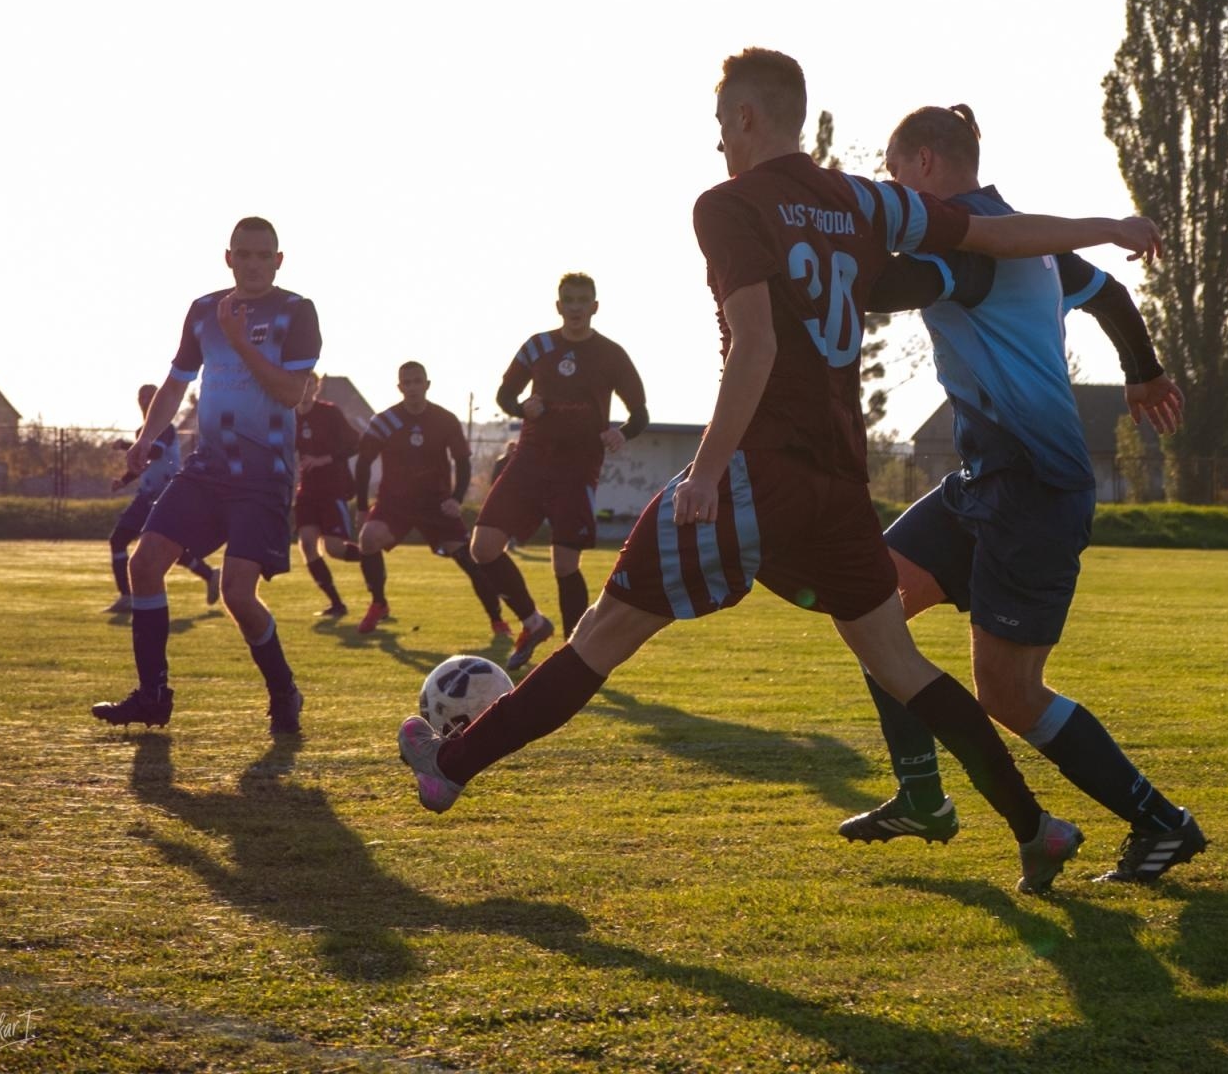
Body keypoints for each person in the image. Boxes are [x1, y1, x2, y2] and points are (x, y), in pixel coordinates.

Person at [397, 47, 1164, 894]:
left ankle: (452, 766)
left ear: (749, 118)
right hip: (839, 487)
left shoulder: (727, 205)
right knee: (900, 664)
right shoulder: (860, 198)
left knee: (600, 639)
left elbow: (755, 344)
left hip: (756, 474)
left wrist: (705, 472)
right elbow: (995, 233)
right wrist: (1107, 227)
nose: (718, 137)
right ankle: (1037, 826)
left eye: (722, 120)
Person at [834, 103, 1206, 884]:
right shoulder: (1025, 239)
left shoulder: (968, 244)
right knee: (870, 605)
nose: (899, 194)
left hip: (1032, 492)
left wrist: (815, 247)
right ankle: (922, 796)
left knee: (1008, 693)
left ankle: (1161, 822)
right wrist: (1142, 371)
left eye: (898, 175)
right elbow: (1106, 293)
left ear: (927, 164)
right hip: (985, 482)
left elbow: (886, 286)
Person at [92, 217, 318, 734]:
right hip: (207, 470)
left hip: (264, 477)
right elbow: (175, 383)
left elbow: (290, 392)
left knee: (239, 594)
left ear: (278, 260)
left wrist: (241, 342)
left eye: (264, 255)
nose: (254, 263)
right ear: (229, 258)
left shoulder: (297, 311)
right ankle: (152, 696)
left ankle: (283, 690)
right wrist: (145, 440)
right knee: (145, 565)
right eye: (245, 254)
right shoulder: (202, 311)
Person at [471, 273, 650, 670]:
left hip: (577, 468)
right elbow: (504, 395)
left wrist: (623, 433)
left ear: (594, 307)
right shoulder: (539, 346)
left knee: (565, 565)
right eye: (568, 300)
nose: (574, 307)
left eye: (582, 300)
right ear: (558, 306)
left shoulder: (611, 354)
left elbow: (639, 413)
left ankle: (576, 658)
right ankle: (533, 622)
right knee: (483, 547)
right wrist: (521, 408)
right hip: (530, 461)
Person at [353, 362, 512, 641]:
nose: (413, 387)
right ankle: (379, 603)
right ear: (399, 387)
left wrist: (456, 499)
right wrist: (364, 509)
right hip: (395, 504)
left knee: (470, 559)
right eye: (407, 382)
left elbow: (462, 463)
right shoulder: (384, 421)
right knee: (368, 538)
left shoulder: (445, 420)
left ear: (427, 384)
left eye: (417, 381)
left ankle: (498, 620)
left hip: (435, 504)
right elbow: (364, 464)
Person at [105, 384, 221, 613]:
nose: (146, 401)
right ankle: (126, 596)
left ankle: (209, 574)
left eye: (151, 397)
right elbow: (144, 463)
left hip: (165, 496)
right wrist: (124, 481)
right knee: (118, 540)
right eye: (142, 397)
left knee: (167, 550)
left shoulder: (166, 428)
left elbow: (155, 452)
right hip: (146, 496)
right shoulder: (142, 432)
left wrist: (125, 445)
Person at [293, 373, 364, 618]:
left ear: (316, 386)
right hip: (307, 491)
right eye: (299, 383)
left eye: (309, 383)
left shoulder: (330, 413)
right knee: (308, 545)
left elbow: (356, 443)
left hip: (332, 489)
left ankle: (370, 558)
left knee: (334, 549)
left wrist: (325, 459)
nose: (304, 389)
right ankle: (336, 603)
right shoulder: (288, 416)